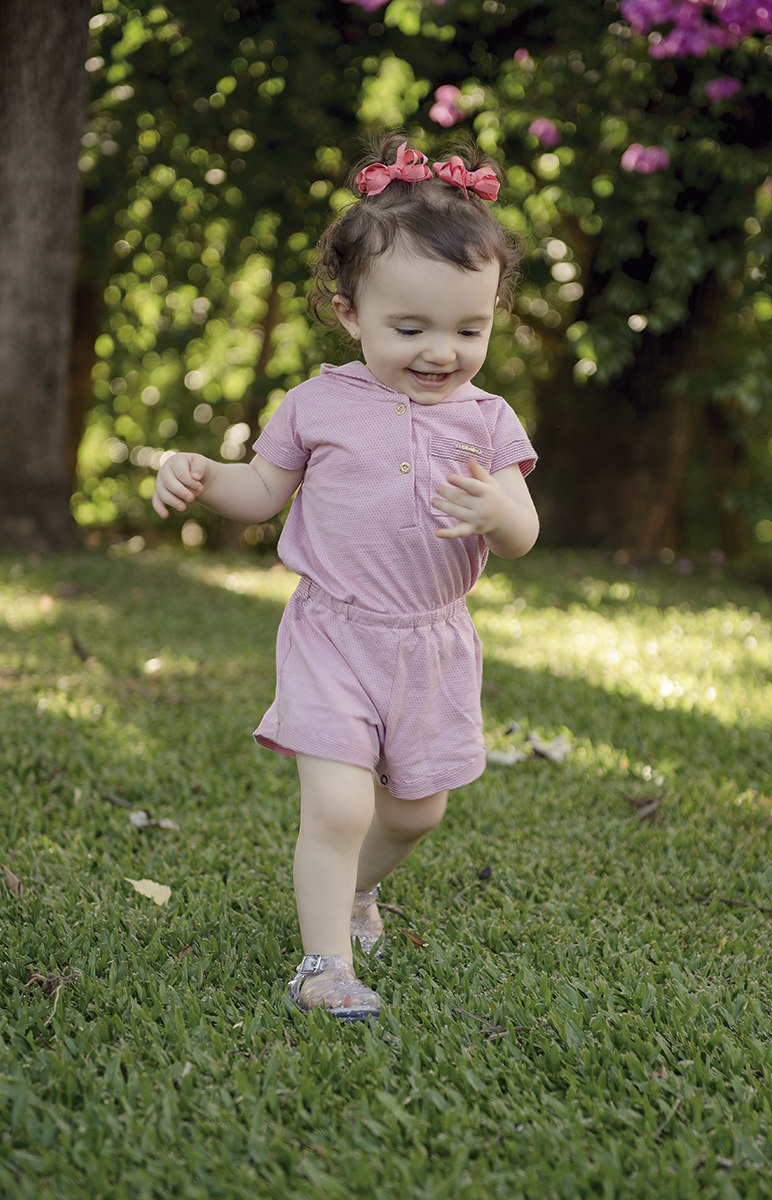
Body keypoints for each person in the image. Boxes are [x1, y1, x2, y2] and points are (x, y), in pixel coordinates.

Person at [153, 133, 539, 1022]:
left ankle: (358, 894)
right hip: (332, 631)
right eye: (411, 328)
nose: (442, 350)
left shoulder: (488, 419)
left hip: (433, 642)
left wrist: (501, 515)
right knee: (335, 805)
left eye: (468, 329)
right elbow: (258, 495)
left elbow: (523, 531)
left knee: (413, 816)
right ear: (349, 312)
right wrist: (200, 473)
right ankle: (323, 966)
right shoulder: (315, 405)